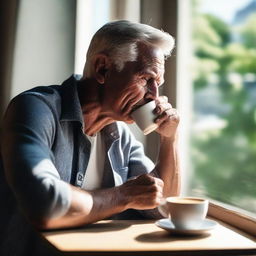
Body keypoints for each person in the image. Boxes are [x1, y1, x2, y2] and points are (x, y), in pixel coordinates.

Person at [0, 20, 180, 255]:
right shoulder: (35, 109)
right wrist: (124, 195)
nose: (154, 97)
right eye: (146, 79)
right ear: (102, 68)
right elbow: (44, 205)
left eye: (158, 84)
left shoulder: (120, 136)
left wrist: (169, 139)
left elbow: (163, 206)